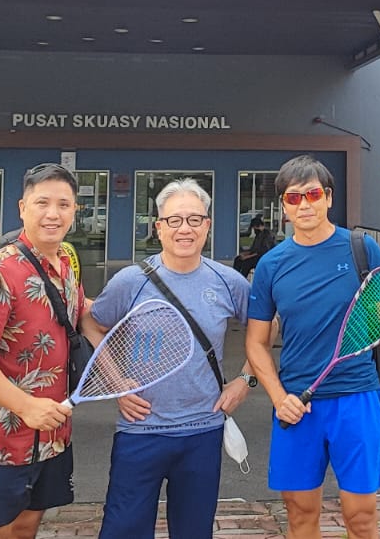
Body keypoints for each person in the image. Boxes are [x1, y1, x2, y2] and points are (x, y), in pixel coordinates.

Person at [245, 155, 380, 539]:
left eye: (313, 194)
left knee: (361, 516)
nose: (304, 205)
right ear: (283, 206)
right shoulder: (271, 265)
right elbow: (255, 343)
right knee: (300, 514)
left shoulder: (362, 249)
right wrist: (278, 397)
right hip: (297, 405)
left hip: (358, 398)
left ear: (329, 197)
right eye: (293, 198)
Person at [83, 179, 254, 539]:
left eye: (194, 219)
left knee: (194, 531)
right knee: (123, 531)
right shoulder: (130, 282)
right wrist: (115, 382)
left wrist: (245, 379)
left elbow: (263, 331)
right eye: (174, 220)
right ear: (158, 227)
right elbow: (91, 323)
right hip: (140, 430)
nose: (184, 229)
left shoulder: (229, 282)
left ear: (207, 225)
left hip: (203, 431)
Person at [0, 163, 93, 539]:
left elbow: (79, 313)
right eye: (42, 203)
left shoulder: (65, 265)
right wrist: (26, 406)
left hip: (50, 433)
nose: (53, 214)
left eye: (64, 204)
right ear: (22, 208)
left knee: (26, 525)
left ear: (75, 211)